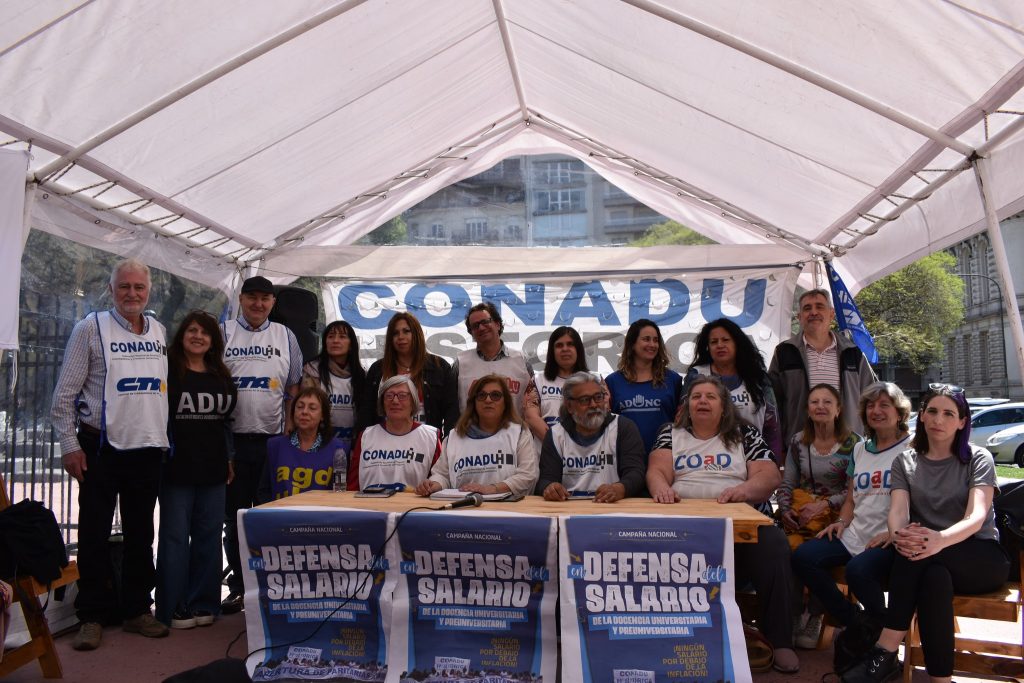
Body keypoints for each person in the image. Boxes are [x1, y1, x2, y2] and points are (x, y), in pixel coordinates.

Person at [843, 385, 1010, 683]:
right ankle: (940, 680)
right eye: (932, 411)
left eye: (949, 413)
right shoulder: (905, 461)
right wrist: (898, 534)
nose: (938, 419)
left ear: (962, 421)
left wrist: (939, 540)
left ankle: (886, 648)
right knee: (932, 576)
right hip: (927, 557)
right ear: (922, 417)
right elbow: (897, 512)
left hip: (979, 556)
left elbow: (977, 515)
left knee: (917, 552)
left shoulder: (977, 458)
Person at [51, 258, 170, 649]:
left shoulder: (158, 331)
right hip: (99, 448)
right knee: (94, 533)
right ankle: (92, 615)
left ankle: (137, 609)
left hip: (146, 448)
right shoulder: (90, 328)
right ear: (112, 289)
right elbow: (64, 396)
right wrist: (70, 446)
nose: (132, 294)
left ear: (148, 291)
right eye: (125, 287)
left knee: (141, 533)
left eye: (139, 287)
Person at [645, 374, 799, 674]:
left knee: (775, 545)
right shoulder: (670, 432)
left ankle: (780, 639)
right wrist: (660, 487)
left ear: (724, 404)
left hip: (739, 523)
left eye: (710, 396)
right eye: (696, 396)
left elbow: (769, 476)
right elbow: (656, 470)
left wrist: (743, 491)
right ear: (687, 404)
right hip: (685, 524)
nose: (702, 401)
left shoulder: (745, 433)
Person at [791, 382, 910, 643]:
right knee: (803, 557)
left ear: (899, 413)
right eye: (870, 405)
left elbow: (921, 501)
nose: (875, 410)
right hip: (856, 532)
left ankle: (883, 632)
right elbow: (850, 497)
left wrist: (894, 533)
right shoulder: (860, 449)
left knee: (858, 571)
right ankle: (855, 621)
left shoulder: (912, 448)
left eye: (884, 405)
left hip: (890, 536)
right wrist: (842, 522)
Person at [220, 275, 303, 614]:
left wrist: (289, 434)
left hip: (273, 442)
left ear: (272, 302)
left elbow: (295, 388)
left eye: (265, 298)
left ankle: (272, 586)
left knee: (272, 517)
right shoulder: (223, 332)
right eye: (252, 297)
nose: (258, 304)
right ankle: (239, 587)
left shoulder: (286, 336)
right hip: (233, 444)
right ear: (241, 299)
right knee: (235, 519)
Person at [155, 310, 237, 629]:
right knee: (174, 538)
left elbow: (226, 423)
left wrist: (229, 458)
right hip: (175, 468)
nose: (198, 336)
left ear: (213, 340)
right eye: (192, 330)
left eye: (204, 332)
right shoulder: (167, 370)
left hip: (214, 469)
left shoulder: (221, 375)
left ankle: (204, 602)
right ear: (182, 335)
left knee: (208, 536)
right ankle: (173, 607)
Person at [776, 383, 860, 648]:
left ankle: (814, 615)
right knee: (786, 550)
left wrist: (823, 505)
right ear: (807, 409)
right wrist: (786, 508)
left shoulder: (854, 444)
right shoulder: (798, 441)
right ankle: (791, 616)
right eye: (814, 402)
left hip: (839, 515)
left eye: (827, 402)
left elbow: (854, 490)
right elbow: (787, 482)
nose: (820, 407)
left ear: (838, 409)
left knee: (816, 552)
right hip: (802, 513)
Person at [769, 288, 876, 446]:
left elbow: (871, 398)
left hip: (848, 445)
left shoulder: (852, 353)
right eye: (807, 308)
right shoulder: (784, 352)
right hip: (801, 444)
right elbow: (772, 403)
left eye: (819, 306)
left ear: (832, 314)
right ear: (799, 317)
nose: (813, 312)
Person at [415, 374, 538, 498]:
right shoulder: (454, 437)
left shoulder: (519, 433)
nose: (488, 400)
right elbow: (442, 475)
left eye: (495, 395)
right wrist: (433, 484)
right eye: (481, 395)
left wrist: (492, 489)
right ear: (473, 403)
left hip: (509, 510)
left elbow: (528, 474)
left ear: (505, 402)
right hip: (463, 509)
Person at [535, 371, 645, 503]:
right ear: (569, 406)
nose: (593, 405)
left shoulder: (623, 427)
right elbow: (545, 479)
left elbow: (636, 473)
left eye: (598, 397)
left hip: (612, 507)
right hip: (569, 509)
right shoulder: (555, 435)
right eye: (585, 400)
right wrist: (550, 488)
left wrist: (620, 488)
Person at [683, 318, 782, 459]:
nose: (720, 345)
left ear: (737, 343)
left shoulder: (759, 378)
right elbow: (682, 420)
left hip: (755, 457)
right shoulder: (696, 375)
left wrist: (774, 462)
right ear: (708, 347)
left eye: (725, 340)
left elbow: (772, 426)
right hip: (709, 461)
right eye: (714, 342)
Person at [358, 312, 458, 436]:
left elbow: (451, 410)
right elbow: (366, 411)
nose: (400, 337)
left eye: (406, 331)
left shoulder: (439, 367)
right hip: (385, 444)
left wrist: (448, 443)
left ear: (416, 333)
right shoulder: (378, 369)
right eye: (395, 333)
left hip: (426, 442)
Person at [605, 318, 682, 459]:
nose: (652, 344)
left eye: (656, 340)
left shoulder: (673, 380)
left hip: (665, 459)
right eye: (646, 339)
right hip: (625, 460)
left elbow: (681, 422)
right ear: (632, 344)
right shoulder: (613, 382)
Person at [348, 375, 441, 491]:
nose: (395, 401)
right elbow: (352, 486)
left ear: (413, 401)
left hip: (412, 507)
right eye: (389, 396)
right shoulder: (366, 436)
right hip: (370, 507)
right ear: (382, 402)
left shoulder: (430, 437)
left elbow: (439, 479)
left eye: (402, 396)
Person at [257, 386, 346, 502]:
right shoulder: (275, 446)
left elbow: (340, 494)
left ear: (323, 416)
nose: (304, 412)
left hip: (321, 518)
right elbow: (264, 491)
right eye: (300, 407)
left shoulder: (338, 450)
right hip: (281, 517)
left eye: (312, 408)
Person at [452, 302, 534, 411]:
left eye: (485, 322)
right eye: (475, 326)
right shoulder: (460, 363)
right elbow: (451, 406)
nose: (481, 328)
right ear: (471, 332)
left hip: (515, 427)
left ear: (498, 324)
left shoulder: (521, 361)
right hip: (471, 428)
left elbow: (533, 402)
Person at [303, 320, 366, 456]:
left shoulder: (361, 376)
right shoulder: (312, 370)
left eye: (342, 337)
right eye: (331, 336)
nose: (335, 341)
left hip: (351, 448)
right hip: (319, 447)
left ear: (351, 344)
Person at [522, 326, 589, 455]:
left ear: (578, 349)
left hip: (585, 458)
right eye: (559, 345)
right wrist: (559, 447)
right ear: (552, 352)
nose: (565, 349)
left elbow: (601, 417)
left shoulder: (595, 380)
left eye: (570, 344)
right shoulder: (537, 380)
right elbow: (531, 416)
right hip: (548, 457)